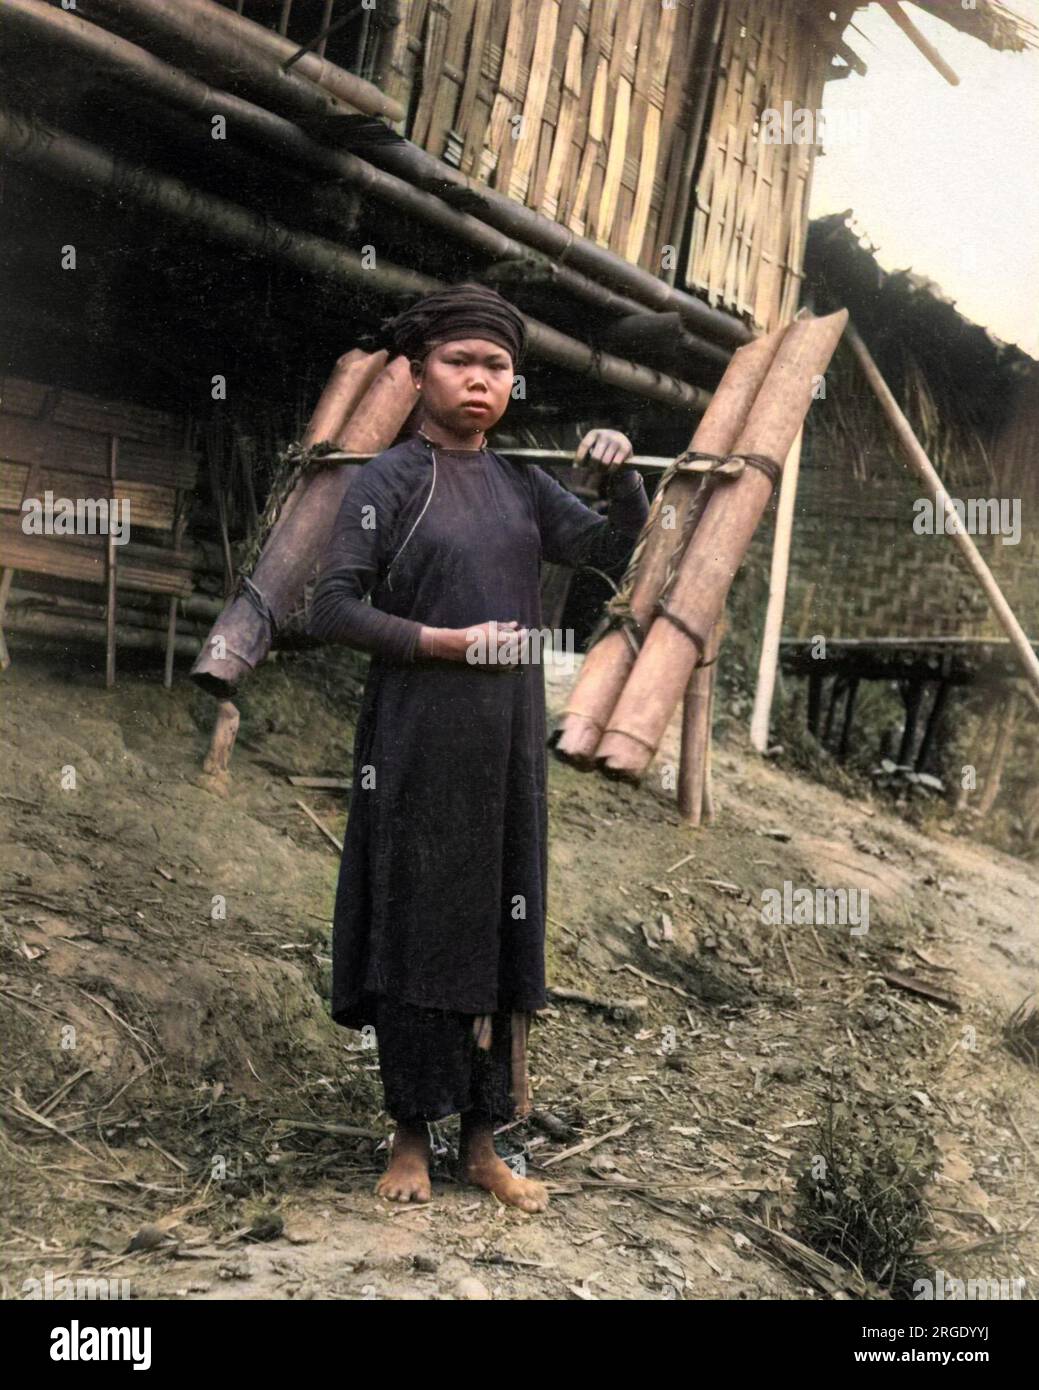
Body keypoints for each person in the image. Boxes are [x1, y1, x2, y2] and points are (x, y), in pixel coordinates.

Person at [307, 282, 648, 1211]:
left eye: (496, 367)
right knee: (418, 927)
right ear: (419, 375)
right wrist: (446, 644)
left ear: (512, 385)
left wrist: (621, 475)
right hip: (416, 738)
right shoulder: (387, 481)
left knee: (500, 927)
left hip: (504, 747)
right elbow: (331, 605)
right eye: (459, 362)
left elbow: (610, 558)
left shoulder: (521, 483)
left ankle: (484, 1143)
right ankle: (410, 1136)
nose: (478, 381)